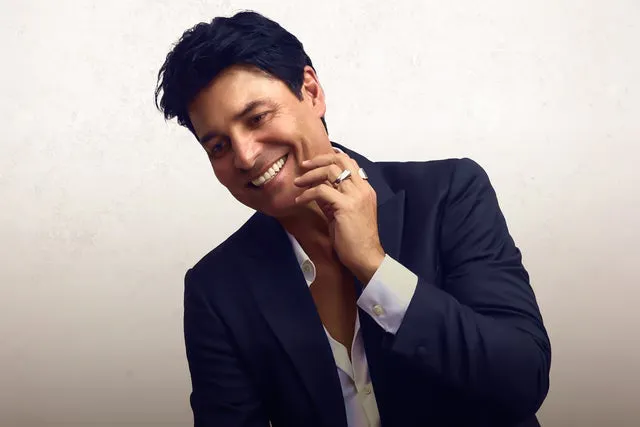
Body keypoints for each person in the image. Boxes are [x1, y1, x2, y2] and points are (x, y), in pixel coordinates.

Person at [155, 11, 551, 427]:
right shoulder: (217, 288)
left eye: (257, 118)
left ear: (311, 92)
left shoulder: (448, 194)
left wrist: (375, 267)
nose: (245, 155)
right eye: (218, 147)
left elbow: (522, 379)